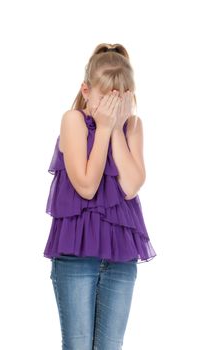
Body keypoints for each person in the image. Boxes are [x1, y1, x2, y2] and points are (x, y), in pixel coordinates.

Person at [43, 43, 157, 350]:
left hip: (121, 257)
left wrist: (116, 128)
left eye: (121, 98)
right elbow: (87, 186)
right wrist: (104, 129)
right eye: (106, 97)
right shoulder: (73, 121)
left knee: (110, 345)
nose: (113, 106)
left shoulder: (132, 126)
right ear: (87, 90)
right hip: (75, 256)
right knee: (78, 344)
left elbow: (132, 185)